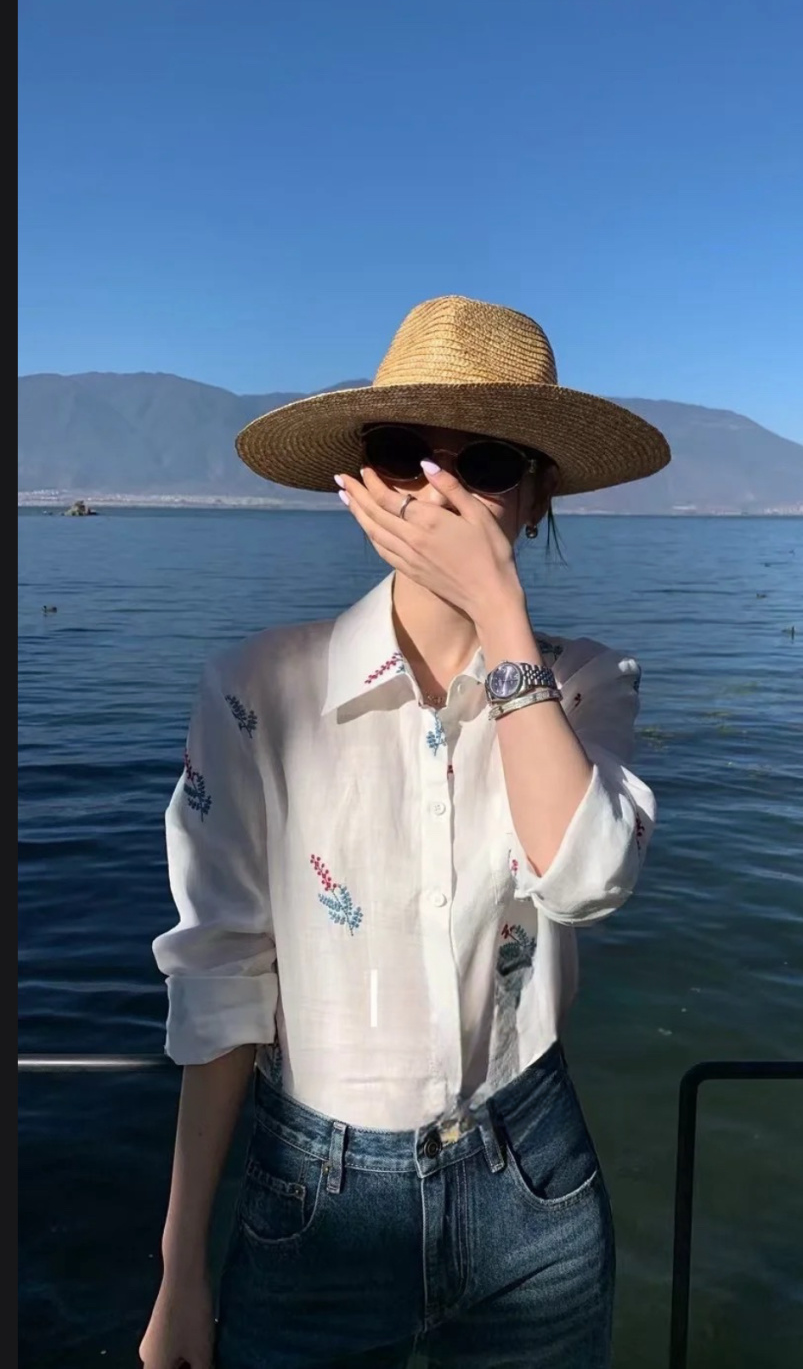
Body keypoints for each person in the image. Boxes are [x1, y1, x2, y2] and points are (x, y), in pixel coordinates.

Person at [139, 295, 670, 1369]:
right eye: (402, 455)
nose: (438, 492)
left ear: (537, 497)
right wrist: (179, 1267)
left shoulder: (585, 682)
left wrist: (501, 612)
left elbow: (586, 880)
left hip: (534, 1178)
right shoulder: (256, 690)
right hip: (313, 1197)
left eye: (487, 464)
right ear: (361, 480)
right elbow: (222, 975)